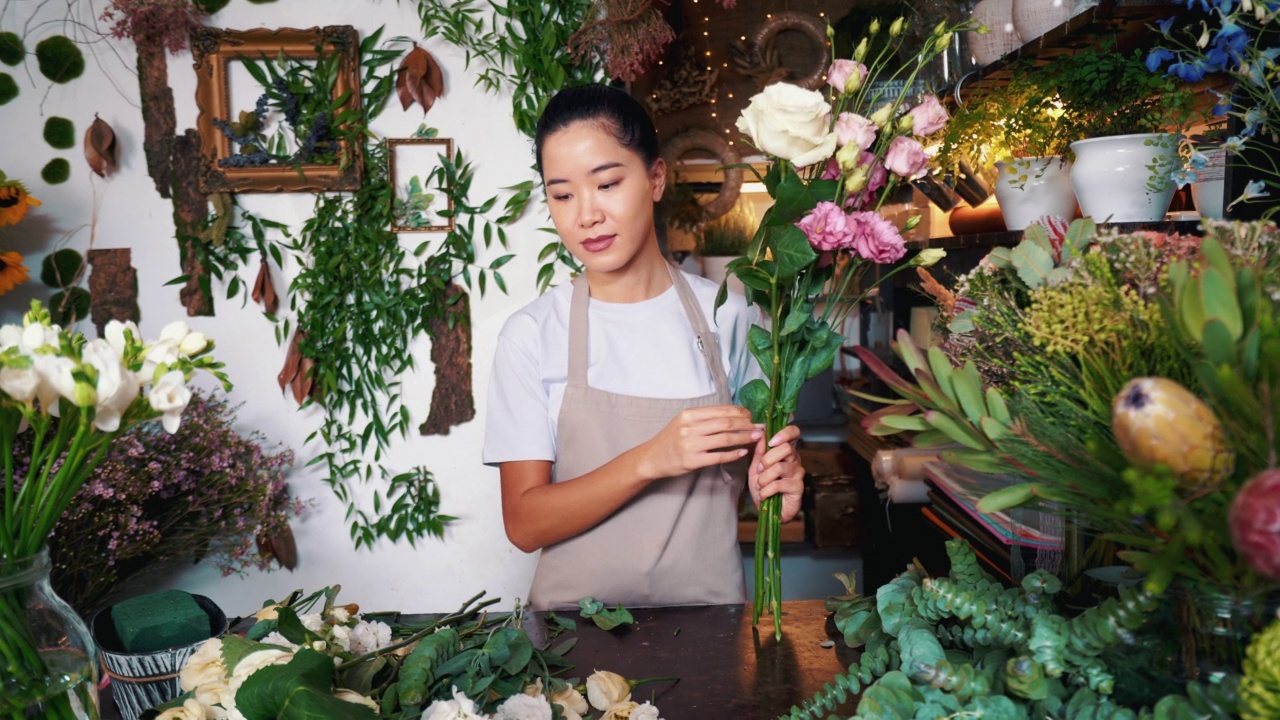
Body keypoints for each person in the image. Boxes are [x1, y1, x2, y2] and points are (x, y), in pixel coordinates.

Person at [482, 84, 805, 611]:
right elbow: (524, 523)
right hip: (571, 646)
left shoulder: (731, 314)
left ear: (655, 179)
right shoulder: (532, 334)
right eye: (562, 195)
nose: (586, 214)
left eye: (607, 183)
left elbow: (757, 470)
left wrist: (780, 478)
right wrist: (651, 458)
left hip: (710, 630)